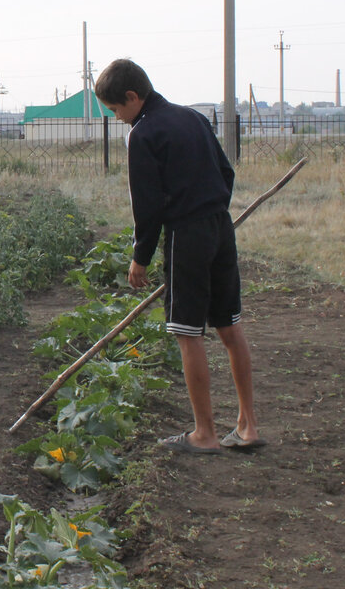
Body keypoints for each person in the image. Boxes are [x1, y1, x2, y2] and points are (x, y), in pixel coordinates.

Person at [94, 59, 265, 455]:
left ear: (133, 98)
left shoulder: (143, 133)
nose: (118, 118)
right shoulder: (193, 118)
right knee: (229, 326)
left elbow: (148, 205)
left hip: (187, 236)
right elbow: (226, 172)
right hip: (220, 228)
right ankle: (248, 426)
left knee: (187, 334)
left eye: (117, 109)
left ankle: (203, 434)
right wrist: (212, 209)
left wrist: (141, 257)